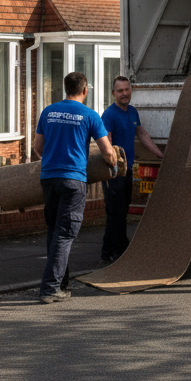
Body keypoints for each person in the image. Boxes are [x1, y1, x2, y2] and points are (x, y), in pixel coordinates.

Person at [35, 71, 118, 304]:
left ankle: (61, 283)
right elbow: (107, 151)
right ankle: (50, 288)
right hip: (73, 181)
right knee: (66, 233)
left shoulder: (48, 112)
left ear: (65, 88)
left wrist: (53, 157)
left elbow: (38, 147)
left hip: (49, 178)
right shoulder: (90, 115)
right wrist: (114, 167)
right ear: (85, 91)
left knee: (54, 231)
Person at [100, 75, 164, 263]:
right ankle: (119, 251)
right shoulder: (109, 115)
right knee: (116, 211)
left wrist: (160, 154)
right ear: (113, 93)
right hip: (113, 173)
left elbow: (142, 135)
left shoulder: (132, 112)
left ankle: (108, 251)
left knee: (121, 210)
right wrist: (112, 168)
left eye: (127, 90)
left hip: (127, 170)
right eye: (120, 91)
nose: (124, 93)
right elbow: (107, 142)